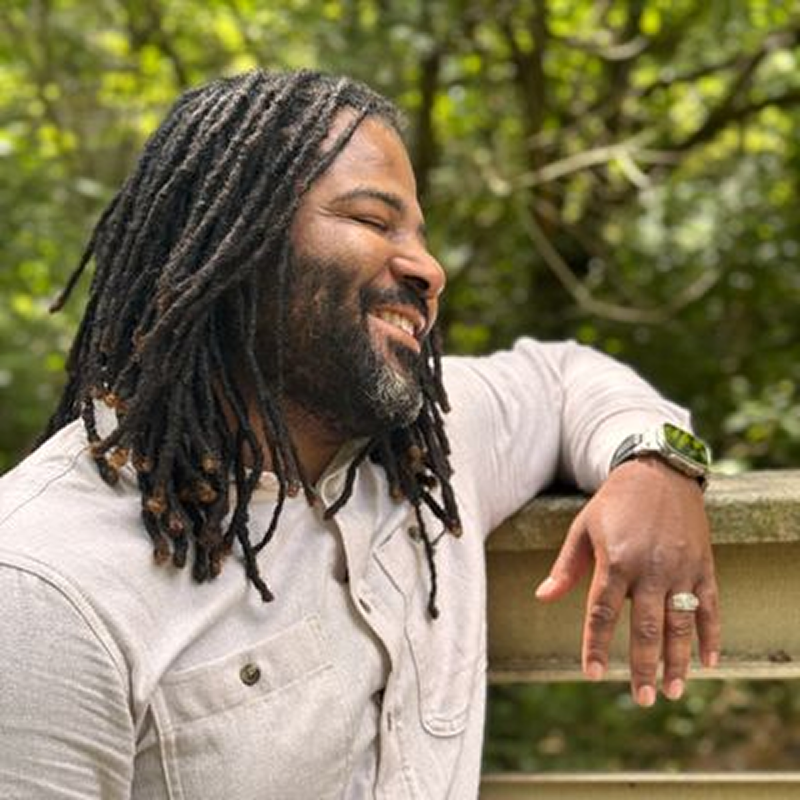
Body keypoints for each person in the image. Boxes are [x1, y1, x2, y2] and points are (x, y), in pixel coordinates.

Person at [0, 70, 718, 799]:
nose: (428, 269)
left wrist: (656, 463)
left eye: (420, 235)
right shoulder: (42, 586)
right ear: (232, 242)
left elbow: (565, 378)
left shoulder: (426, 456)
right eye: (375, 222)